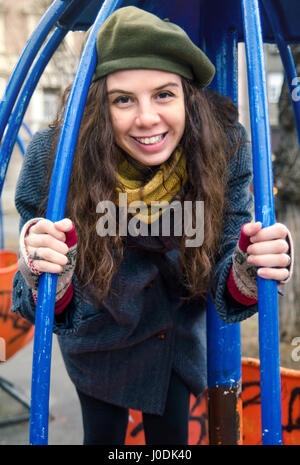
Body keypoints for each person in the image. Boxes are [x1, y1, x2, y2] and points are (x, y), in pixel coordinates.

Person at [11, 6, 294, 445]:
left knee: (171, 443)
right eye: (123, 99)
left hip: (174, 333)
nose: (146, 118)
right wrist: (42, 265)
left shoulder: (220, 151)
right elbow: (38, 295)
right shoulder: (60, 155)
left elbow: (225, 267)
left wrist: (250, 265)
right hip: (97, 332)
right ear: (100, 106)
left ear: (188, 98)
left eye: (164, 94)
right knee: (102, 437)